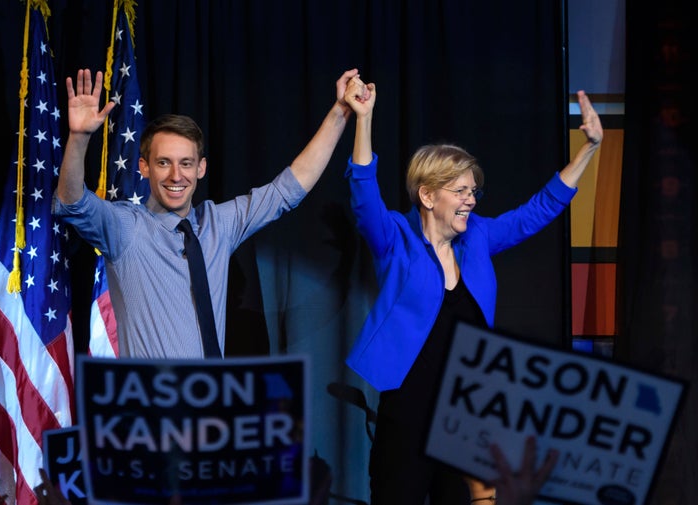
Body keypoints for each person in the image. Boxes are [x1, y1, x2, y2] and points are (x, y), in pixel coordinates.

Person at [342, 76, 602, 505]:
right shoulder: (394, 238)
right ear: (427, 195)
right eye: (459, 191)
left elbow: (537, 211)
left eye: (473, 191)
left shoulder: (477, 238)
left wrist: (588, 149)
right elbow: (363, 190)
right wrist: (363, 119)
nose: (471, 200)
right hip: (407, 414)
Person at [53, 68, 358, 358]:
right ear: (143, 167)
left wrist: (340, 111)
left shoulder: (218, 225)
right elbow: (72, 202)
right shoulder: (124, 228)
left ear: (201, 168)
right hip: (151, 407)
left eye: (186, 163)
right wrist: (79, 137)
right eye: (163, 163)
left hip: (211, 403)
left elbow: (288, 189)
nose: (176, 175)